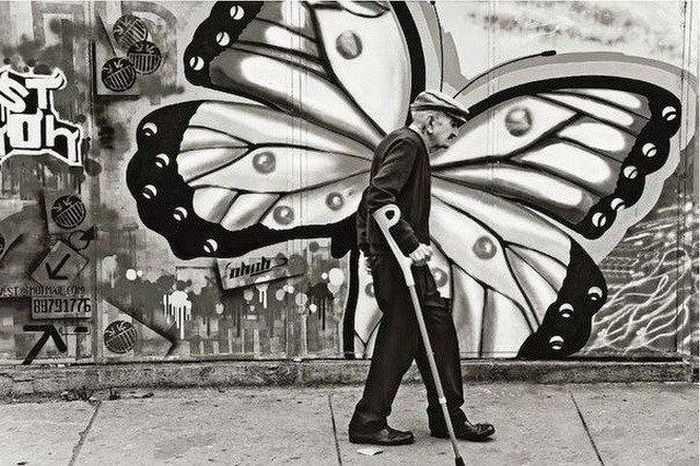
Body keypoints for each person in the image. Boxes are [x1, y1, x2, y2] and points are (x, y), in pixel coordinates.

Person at [349, 90, 495, 446]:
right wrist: (408, 244)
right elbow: (378, 197)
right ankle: (368, 421)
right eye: (452, 123)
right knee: (400, 338)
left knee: (438, 330)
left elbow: (368, 199)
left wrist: (370, 248)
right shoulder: (408, 144)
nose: (456, 131)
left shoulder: (401, 143)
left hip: (399, 260)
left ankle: (448, 417)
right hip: (400, 262)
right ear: (431, 120)